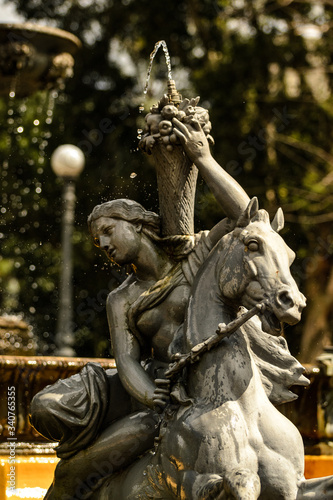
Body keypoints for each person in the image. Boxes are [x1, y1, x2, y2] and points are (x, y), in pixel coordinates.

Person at [30, 118, 250, 498]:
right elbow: (127, 361)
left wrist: (203, 158)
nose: (103, 244)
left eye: (108, 231)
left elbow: (244, 216)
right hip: (157, 390)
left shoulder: (194, 258)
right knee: (42, 407)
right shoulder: (122, 298)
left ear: (136, 222)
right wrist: (152, 396)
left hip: (211, 383)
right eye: (97, 241)